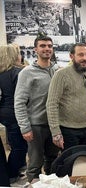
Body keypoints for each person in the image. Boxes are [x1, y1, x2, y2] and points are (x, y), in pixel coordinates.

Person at [14, 34, 59, 183]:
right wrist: (25, 127)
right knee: (35, 163)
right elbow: (19, 102)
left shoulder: (58, 70)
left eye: (49, 46)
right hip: (36, 125)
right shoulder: (27, 73)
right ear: (35, 50)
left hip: (54, 125)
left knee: (52, 160)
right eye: (43, 46)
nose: (47, 49)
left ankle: (51, 185)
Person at [46, 43, 86, 150]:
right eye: (81, 55)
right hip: (68, 130)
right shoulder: (61, 75)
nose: (85, 58)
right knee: (70, 163)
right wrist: (55, 132)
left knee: (85, 161)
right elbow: (51, 104)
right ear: (71, 56)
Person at [0, 44, 27, 184]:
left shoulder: (2, 73)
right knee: (20, 148)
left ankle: (16, 170)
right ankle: (12, 173)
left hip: (5, 113)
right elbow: (23, 97)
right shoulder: (18, 72)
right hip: (16, 114)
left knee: (14, 144)